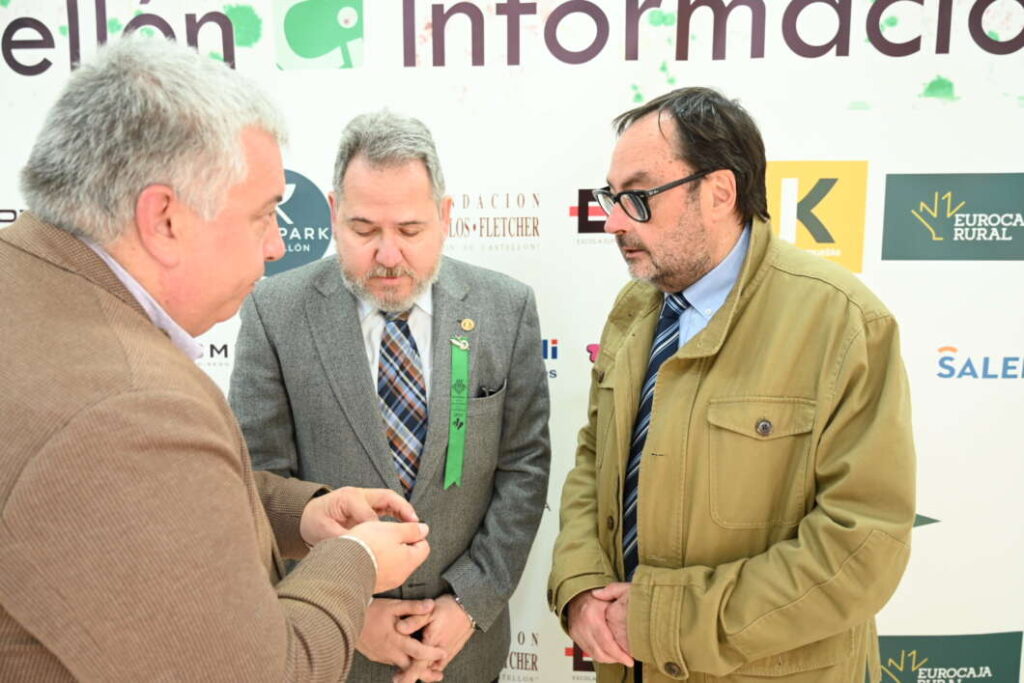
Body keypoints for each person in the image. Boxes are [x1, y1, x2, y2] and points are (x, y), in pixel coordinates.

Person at [0, 38, 431, 682]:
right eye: (263, 215)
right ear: (165, 219)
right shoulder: (126, 406)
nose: (278, 244)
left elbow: (141, 508)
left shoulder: (27, 281)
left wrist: (297, 514)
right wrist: (356, 561)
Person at [548, 87, 915, 682]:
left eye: (637, 197)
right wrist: (582, 586)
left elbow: (861, 546)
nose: (612, 221)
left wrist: (663, 621)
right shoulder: (632, 309)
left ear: (719, 192)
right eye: (611, 198)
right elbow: (594, 461)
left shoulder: (842, 322)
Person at [228, 110, 551, 683]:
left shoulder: (506, 308)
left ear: (445, 217)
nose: (388, 255)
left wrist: (469, 602)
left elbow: (524, 467)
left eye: (409, 230)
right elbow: (257, 486)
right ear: (333, 214)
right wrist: (349, 613)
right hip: (330, 650)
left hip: (464, 652)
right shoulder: (274, 313)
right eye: (364, 230)